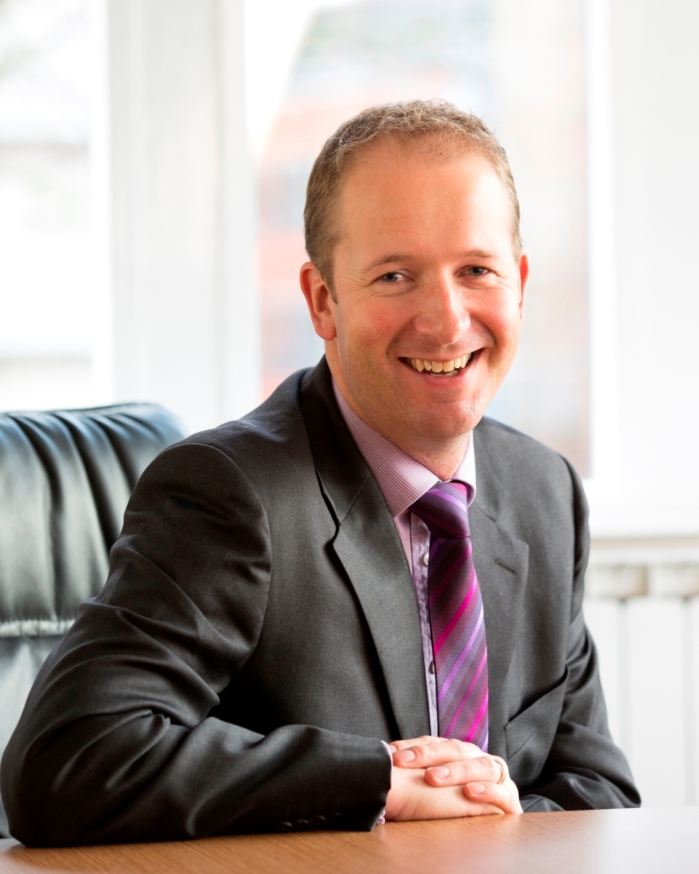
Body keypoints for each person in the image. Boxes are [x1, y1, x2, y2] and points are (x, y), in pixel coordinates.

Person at [1, 100, 639, 846]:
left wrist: (487, 829)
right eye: (395, 275)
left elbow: (598, 792)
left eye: (476, 270)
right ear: (322, 301)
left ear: (519, 284)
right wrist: (379, 779)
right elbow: (65, 763)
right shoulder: (230, 493)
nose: (445, 320)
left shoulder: (545, 491)